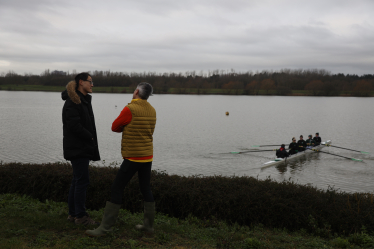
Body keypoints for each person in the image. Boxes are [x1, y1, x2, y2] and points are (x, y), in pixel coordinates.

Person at [86, 82, 156, 237]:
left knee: (116, 188)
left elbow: (115, 127)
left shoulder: (129, 109)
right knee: (145, 189)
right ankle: (148, 226)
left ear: (137, 91)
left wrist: (128, 126)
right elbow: (150, 130)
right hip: (147, 156)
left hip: (133, 157)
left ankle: (105, 229)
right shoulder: (152, 110)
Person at [62, 72, 100, 225]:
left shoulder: (82, 100)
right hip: (78, 147)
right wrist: (89, 136)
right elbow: (74, 125)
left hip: (80, 146)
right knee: (82, 181)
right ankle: (81, 217)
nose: (92, 85)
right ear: (80, 82)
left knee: (77, 180)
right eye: (90, 81)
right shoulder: (73, 101)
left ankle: (73, 214)